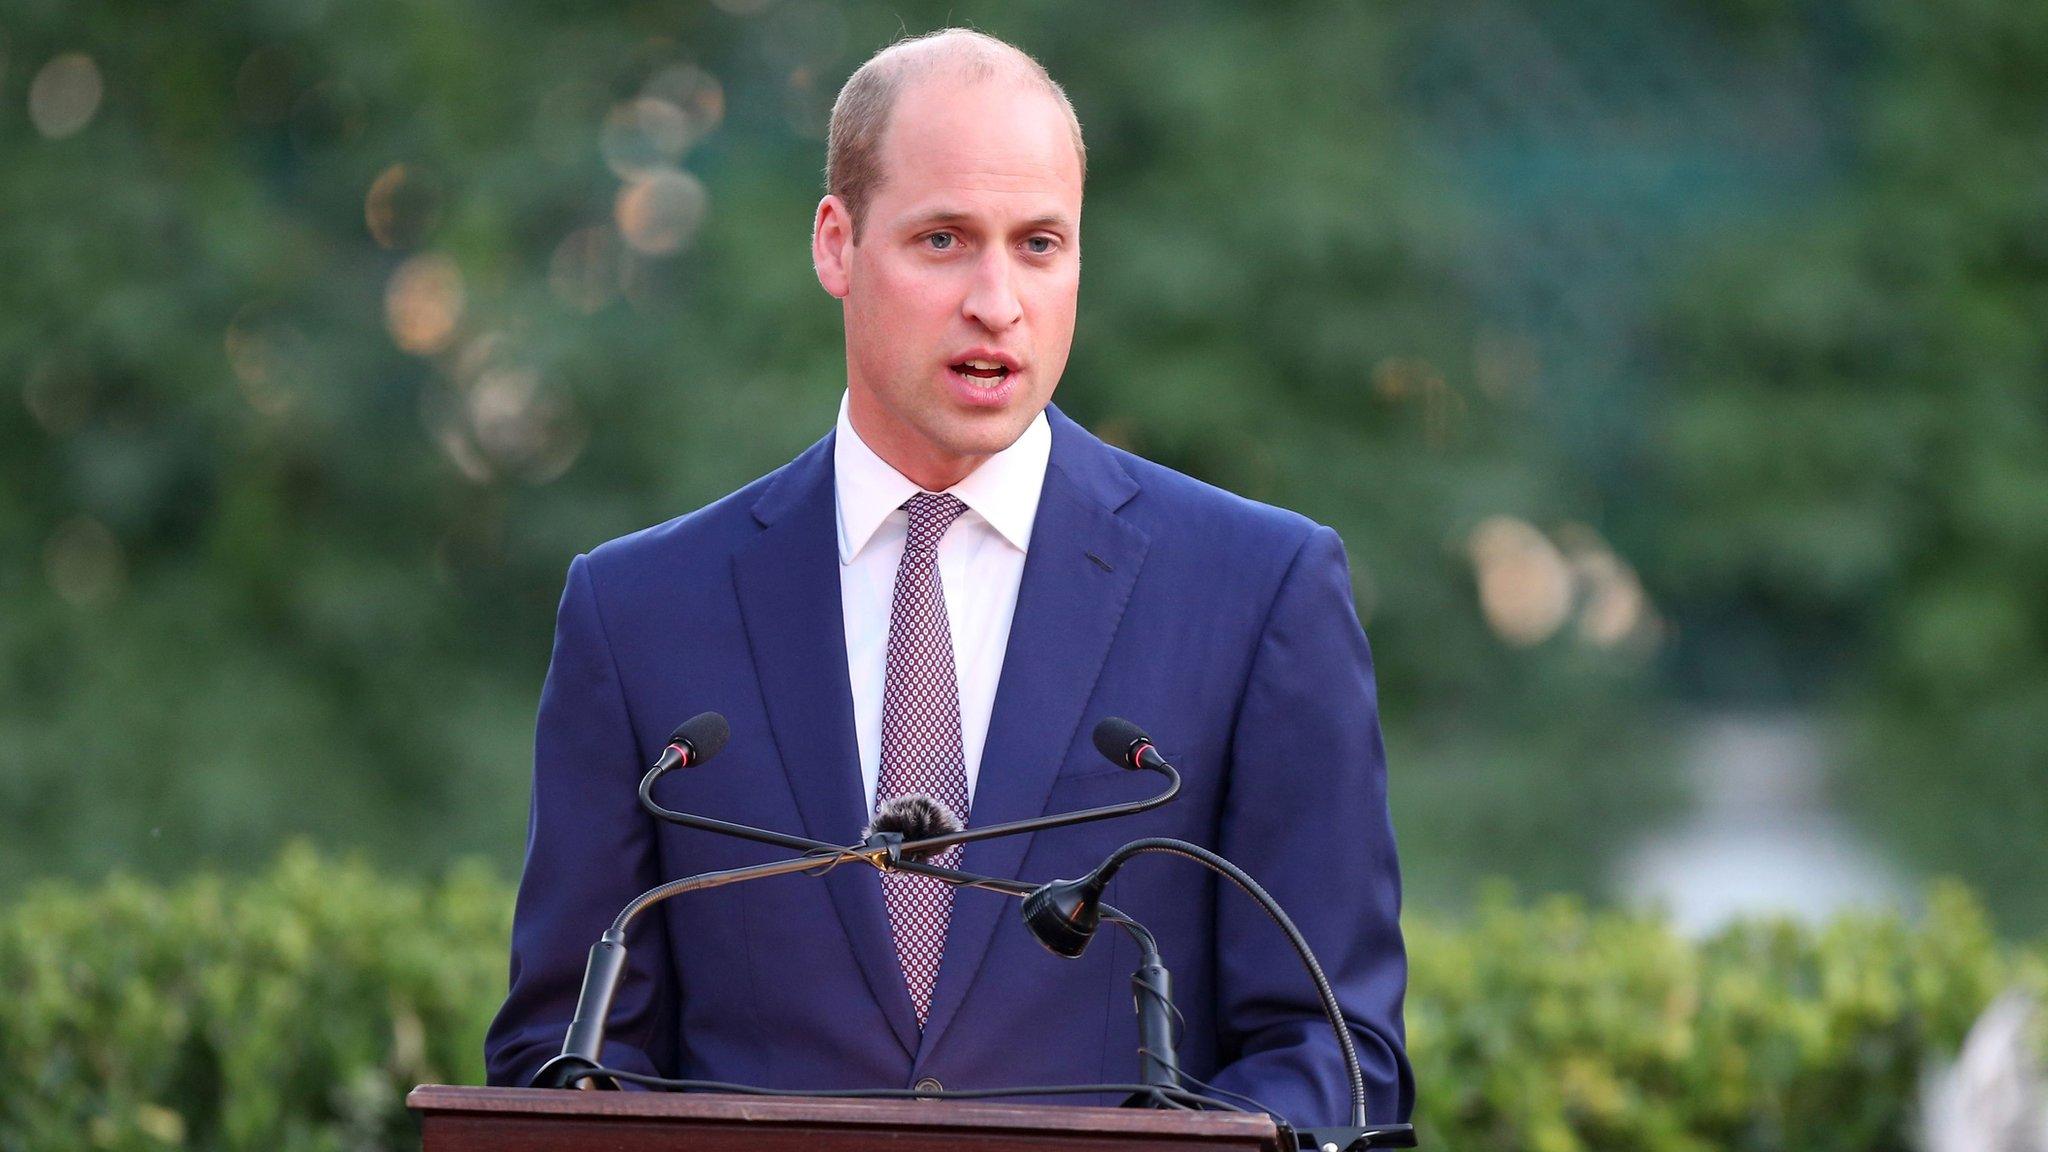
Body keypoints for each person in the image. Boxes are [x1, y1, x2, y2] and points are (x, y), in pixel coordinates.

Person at [484, 28, 1413, 1128]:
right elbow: (568, 1059)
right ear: (836, 244)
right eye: (942, 239)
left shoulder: (1258, 589)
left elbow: (1329, 1052)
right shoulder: (638, 612)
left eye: (1038, 244)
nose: (996, 300)